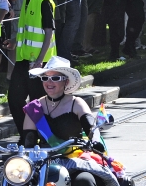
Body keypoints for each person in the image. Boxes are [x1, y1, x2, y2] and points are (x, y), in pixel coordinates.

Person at [21, 57, 125, 186]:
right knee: (16, 179)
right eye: (45, 78)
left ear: (66, 81)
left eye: (55, 78)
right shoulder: (34, 108)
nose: (49, 82)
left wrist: (96, 142)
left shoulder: (76, 103)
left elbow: (91, 127)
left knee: (84, 180)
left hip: (75, 158)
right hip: (44, 161)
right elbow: (28, 141)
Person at [3, 0, 55, 132]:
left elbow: (48, 33)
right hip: (24, 60)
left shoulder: (44, 0)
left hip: (40, 64)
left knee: (36, 103)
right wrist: (14, 41)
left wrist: (40, 60)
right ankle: (27, 135)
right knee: (15, 99)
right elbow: (25, 31)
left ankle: (43, 137)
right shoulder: (26, 0)